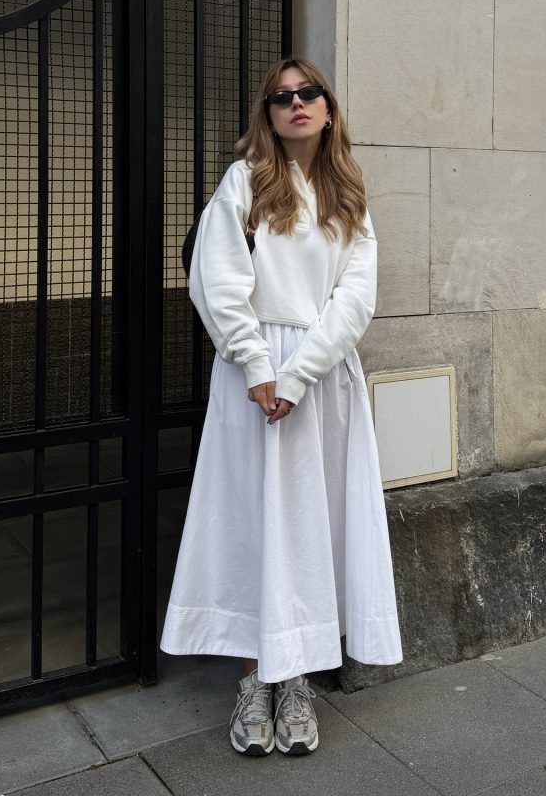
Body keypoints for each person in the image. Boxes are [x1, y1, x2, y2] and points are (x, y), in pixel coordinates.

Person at [160, 57, 402, 756]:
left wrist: (299, 375)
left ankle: (294, 678)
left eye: (309, 93)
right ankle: (252, 680)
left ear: (328, 107)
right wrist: (260, 365)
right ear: (266, 113)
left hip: (322, 381)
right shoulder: (245, 183)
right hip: (249, 375)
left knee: (308, 524)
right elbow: (216, 279)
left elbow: (356, 297)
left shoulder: (349, 194)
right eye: (281, 97)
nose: (296, 104)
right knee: (252, 521)